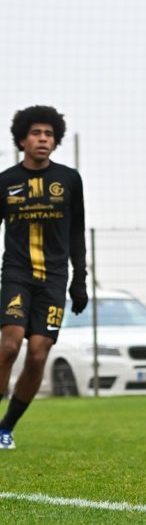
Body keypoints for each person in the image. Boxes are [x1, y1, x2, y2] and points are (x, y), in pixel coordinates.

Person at [0, 105, 88, 450]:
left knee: (38, 353)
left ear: (56, 140)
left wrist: (78, 280)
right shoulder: (5, 182)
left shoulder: (68, 180)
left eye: (49, 134)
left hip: (53, 279)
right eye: (36, 133)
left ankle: (6, 427)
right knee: (9, 344)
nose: (42, 139)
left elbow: (77, 232)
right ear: (22, 139)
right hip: (17, 275)